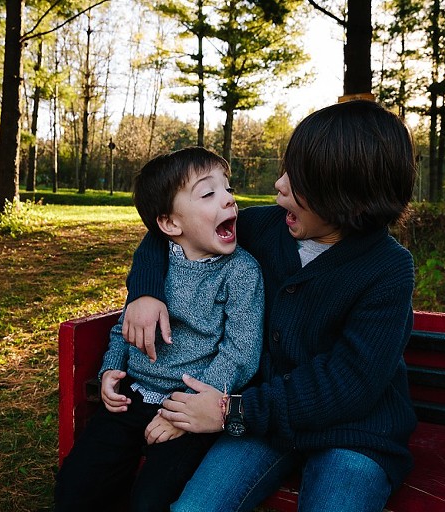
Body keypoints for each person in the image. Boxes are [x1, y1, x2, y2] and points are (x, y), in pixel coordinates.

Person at [122, 100, 419, 512]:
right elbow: (170, 229)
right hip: (264, 426)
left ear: (343, 197)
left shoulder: (388, 269)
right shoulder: (263, 228)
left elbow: (348, 383)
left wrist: (230, 411)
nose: (279, 185)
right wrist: (146, 290)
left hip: (353, 434)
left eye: (296, 180)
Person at [54, 146, 266, 512]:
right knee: (77, 485)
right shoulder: (156, 268)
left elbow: (240, 351)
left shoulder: (241, 271)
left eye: (228, 188)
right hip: (132, 396)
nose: (229, 200)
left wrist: (190, 409)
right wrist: (110, 369)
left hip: (187, 408)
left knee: (153, 499)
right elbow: (127, 321)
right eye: (209, 192)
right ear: (170, 224)